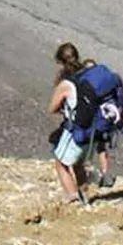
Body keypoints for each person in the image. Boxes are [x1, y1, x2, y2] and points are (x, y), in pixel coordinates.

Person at [48, 42, 92, 204]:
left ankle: (73, 198)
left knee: (61, 164)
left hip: (76, 129)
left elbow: (52, 108)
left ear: (61, 62)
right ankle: (86, 195)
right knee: (78, 163)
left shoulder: (67, 84)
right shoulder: (88, 75)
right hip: (93, 130)